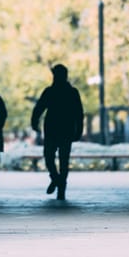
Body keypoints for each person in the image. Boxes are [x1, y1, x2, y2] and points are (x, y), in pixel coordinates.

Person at [30, 64, 84, 200]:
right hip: (66, 129)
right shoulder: (72, 92)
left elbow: (39, 109)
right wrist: (79, 130)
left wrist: (34, 123)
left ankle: (56, 180)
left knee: (49, 157)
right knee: (63, 160)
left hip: (52, 130)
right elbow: (79, 114)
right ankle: (60, 185)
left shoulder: (50, 91)